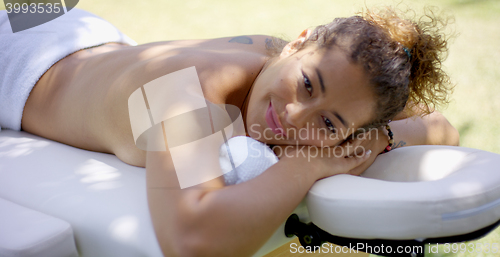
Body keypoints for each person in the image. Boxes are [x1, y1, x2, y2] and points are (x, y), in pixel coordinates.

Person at [0, 6, 459, 256]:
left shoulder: (297, 66)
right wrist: (309, 162)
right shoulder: (189, 90)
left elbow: (440, 126)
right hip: (20, 51)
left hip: (88, 33)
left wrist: (378, 137)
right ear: (298, 42)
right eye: (305, 84)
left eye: (327, 122)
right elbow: (191, 238)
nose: (296, 116)